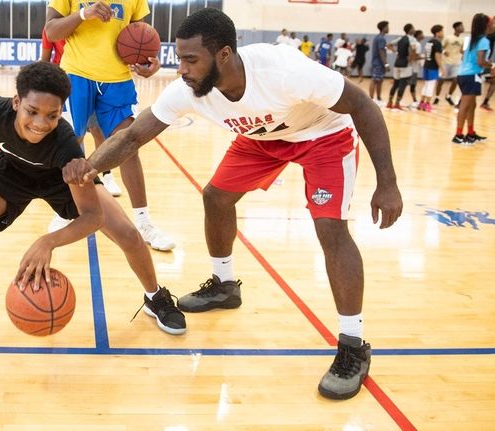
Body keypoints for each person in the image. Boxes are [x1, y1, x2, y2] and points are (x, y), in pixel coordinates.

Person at [63, 8, 403, 400]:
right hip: (262, 139)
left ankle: (352, 345)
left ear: (223, 55)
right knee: (216, 197)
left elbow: (363, 105)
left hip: (322, 135)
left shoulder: (282, 70)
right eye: (179, 59)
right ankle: (225, 286)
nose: (182, 70)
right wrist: (89, 168)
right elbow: (132, 137)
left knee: (330, 227)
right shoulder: (189, 90)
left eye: (191, 60)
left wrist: (387, 183)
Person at [0, 62, 186, 341]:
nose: (41, 123)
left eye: (52, 115)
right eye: (32, 111)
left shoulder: (66, 146)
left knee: (129, 236)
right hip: (11, 172)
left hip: (60, 179)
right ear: (16, 104)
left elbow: (92, 217)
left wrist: (48, 241)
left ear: (60, 112)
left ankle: (154, 296)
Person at [44, 0, 175, 251]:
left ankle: (144, 222)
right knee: (71, 145)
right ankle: (65, 209)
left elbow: (140, 35)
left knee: (128, 146)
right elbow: (51, 31)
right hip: (76, 75)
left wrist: (149, 61)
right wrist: (83, 14)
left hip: (118, 80)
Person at [40, 26, 123, 197]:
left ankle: (107, 174)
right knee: (74, 135)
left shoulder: (85, 25)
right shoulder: (52, 28)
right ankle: (77, 177)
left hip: (92, 80)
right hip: (64, 85)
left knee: (97, 130)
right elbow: (45, 60)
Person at [451, 13, 493, 144]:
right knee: (465, 106)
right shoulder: (484, 41)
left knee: (472, 106)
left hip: (464, 74)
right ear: (487, 25)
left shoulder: (469, 39)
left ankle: (470, 133)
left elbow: (464, 57)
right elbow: (480, 62)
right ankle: (458, 135)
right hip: (471, 76)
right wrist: (491, 64)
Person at [385, 23, 415, 111]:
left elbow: (388, 44)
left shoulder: (400, 38)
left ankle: (389, 102)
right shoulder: (411, 39)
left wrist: (396, 52)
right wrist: (410, 60)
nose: (414, 29)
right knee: (402, 84)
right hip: (405, 64)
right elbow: (411, 51)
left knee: (395, 84)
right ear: (410, 30)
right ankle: (397, 103)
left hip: (397, 63)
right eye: (413, 28)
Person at [436, 21, 464, 105]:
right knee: (441, 80)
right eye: (461, 26)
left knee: (456, 80)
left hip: (456, 63)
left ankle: (448, 96)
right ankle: (437, 97)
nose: (463, 28)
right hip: (445, 62)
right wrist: (444, 51)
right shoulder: (448, 37)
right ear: (456, 28)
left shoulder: (462, 40)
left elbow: (462, 50)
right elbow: (441, 47)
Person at [419, 25, 444, 112]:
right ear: (437, 33)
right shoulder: (437, 43)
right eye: (442, 31)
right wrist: (442, 67)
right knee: (431, 86)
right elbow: (437, 56)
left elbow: (426, 55)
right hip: (433, 67)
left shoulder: (429, 42)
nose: (443, 33)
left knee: (426, 85)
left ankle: (421, 103)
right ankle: (428, 105)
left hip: (427, 65)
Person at [370, 21, 390, 104]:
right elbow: (381, 52)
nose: (388, 28)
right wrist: (386, 64)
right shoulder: (381, 38)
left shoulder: (378, 37)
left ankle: (378, 98)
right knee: (375, 80)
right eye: (387, 26)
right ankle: (371, 99)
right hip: (378, 63)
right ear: (384, 27)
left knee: (380, 80)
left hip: (378, 63)